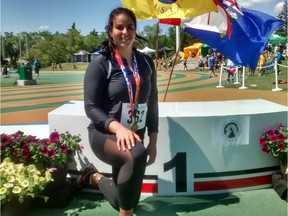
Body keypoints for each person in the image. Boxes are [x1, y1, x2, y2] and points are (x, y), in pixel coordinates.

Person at [81, 7, 159, 216]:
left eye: (130, 27)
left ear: (135, 30)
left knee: (123, 199)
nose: (125, 31)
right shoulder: (100, 63)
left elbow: (152, 102)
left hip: (134, 133)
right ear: (111, 31)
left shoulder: (146, 63)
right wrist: (118, 129)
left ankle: (95, 177)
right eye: (119, 27)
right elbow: (90, 107)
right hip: (104, 134)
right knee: (137, 154)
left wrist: (154, 140)